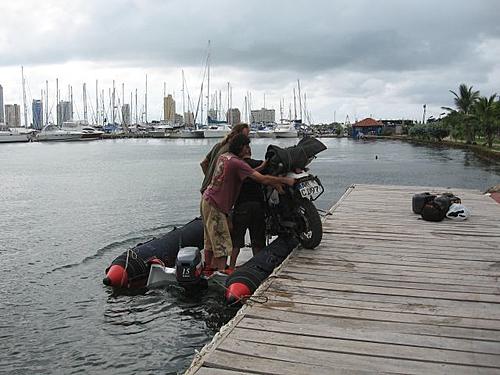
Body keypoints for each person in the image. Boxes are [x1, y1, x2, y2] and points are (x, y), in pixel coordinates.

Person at [201, 134, 294, 274]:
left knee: (209, 239)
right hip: (216, 204)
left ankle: (208, 268)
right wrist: (285, 181)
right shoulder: (237, 163)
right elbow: (262, 179)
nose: (249, 149)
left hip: (206, 199)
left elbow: (245, 173)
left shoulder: (225, 157)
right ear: (241, 148)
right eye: (247, 146)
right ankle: (221, 272)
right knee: (222, 240)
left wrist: (261, 166)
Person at [228, 155, 266, 271]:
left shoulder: (237, 167)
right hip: (257, 205)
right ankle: (258, 266)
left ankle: (231, 266)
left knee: (237, 240)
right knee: (257, 239)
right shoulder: (258, 163)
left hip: (242, 206)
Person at [200, 123, 250, 194]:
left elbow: (203, 163)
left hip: (206, 190)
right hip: (216, 194)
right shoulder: (232, 151)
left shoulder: (218, 145)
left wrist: (211, 180)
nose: (247, 139)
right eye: (245, 136)